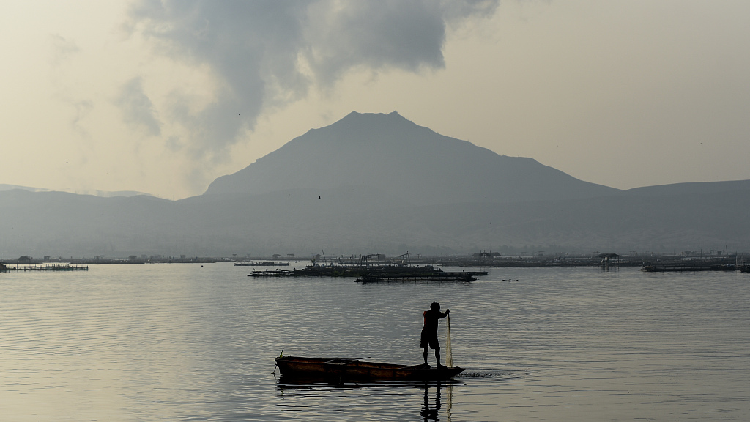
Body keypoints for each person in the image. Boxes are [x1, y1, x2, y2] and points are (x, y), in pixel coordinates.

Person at [420, 302, 450, 367]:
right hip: (431, 334)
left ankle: (426, 363)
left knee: (425, 349)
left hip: (424, 333)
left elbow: (425, 314)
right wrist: (447, 312)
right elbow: (443, 315)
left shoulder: (426, 313)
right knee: (437, 348)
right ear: (435, 308)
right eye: (438, 307)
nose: (439, 308)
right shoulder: (435, 313)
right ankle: (438, 364)